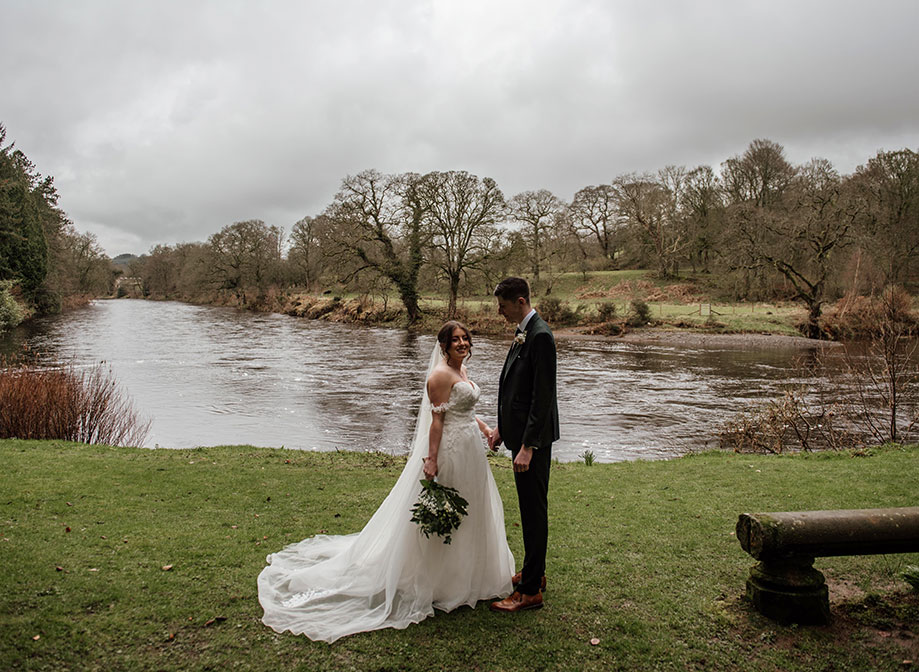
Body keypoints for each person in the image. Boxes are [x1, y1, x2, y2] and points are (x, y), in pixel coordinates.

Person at [257, 321, 514, 643]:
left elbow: (461, 409)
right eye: (455, 341)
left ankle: (471, 574)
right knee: (446, 510)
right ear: (444, 346)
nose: (462, 344)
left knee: (471, 509)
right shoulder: (438, 376)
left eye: (465, 339)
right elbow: (437, 421)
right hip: (449, 450)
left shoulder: (462, 371)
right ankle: (438, 581)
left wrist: (487, 429)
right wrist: (432, 459)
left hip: (470, 451)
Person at [488, 277, 559, 613]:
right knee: (531, 510)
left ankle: (530, 592)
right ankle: (535, 573)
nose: (500, 312)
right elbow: (516, 389)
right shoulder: (524, 331)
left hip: (533, 443)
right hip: (520, 438)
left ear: (519, 301)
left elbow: (542, 398)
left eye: (502, 306)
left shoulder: (541, 336)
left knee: (533, 512)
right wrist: (503, 428)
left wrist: (528, 446)